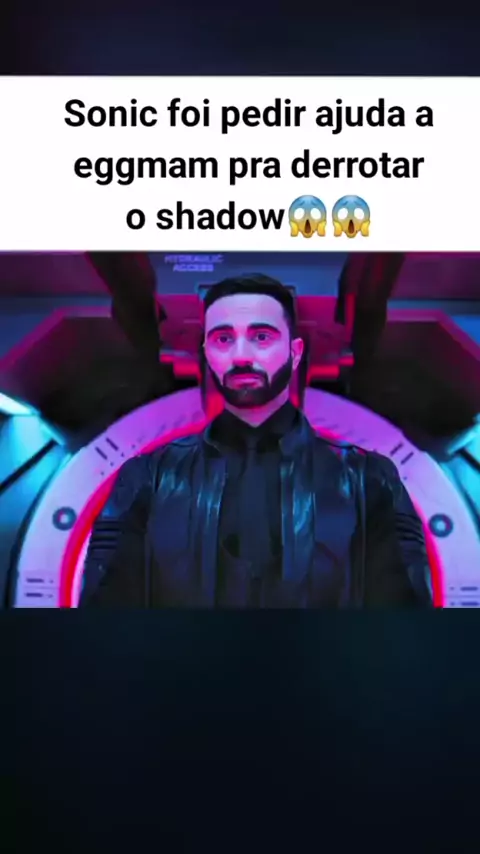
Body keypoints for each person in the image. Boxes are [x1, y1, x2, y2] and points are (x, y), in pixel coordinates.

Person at [79, 274, 433, 608]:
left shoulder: (369, 480)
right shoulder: (147, 479)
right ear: (206, 352)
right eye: (223, 339)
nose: (241, 356)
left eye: (261, 337)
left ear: (295, 352)